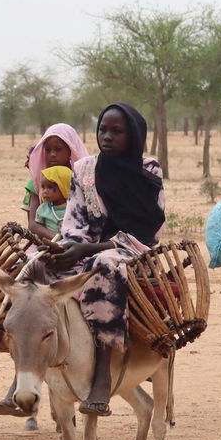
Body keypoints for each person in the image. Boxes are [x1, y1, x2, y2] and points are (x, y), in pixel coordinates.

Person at [42, 103, 165, 417]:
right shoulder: (83, 168)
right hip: (90, 246)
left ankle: (102, 373)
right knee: (38, 266)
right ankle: (25, 367)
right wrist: (69, 247)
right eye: (102, 130)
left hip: (131, 248)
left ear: (133, 135)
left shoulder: (148, 169)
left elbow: (149, 228)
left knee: (105, 266)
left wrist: (90, 251)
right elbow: (74, 221)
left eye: (116, 131)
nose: (106, 136)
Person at [0, 123, 89, 379]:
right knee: (14, 288)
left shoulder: (85, 179)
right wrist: (53, 241)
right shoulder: (38, 181)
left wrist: (71, 243)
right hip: (42, 248)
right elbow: (33, 223)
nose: (53, 154)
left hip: (78, 247)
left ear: (71, 151)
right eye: (49, 149)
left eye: (60, 149)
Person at [34, 166, 72, 235]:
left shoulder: (74, 208)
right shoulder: (42, 209)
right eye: (43, 187)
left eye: (50, 187)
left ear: (64, 187)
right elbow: (39, 232)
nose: (45, 191)